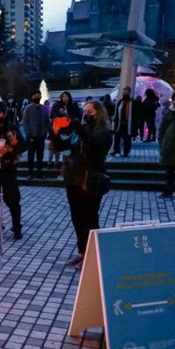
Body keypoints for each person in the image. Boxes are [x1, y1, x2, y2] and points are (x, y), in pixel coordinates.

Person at [62, 100, 113, 269]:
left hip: (91, 179)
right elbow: (69, 148)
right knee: (77, 218)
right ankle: (82, 252)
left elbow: (96, 149)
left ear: (99, 113)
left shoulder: (104, 131)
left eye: (90, 112)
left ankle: (92, 255)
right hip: (74, 178)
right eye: (85, 111)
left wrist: (81, 129)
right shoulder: (81, 129)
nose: (86, 115)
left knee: (90, 218)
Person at [0, 103, 25, 239]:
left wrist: (11, 149)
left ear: (4, 113)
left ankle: (16, 227)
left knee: (13, 199)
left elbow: (23, 144)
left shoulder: (12, 127)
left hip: (9, 168)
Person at [49, 92, 82, 169]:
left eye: (66, 96)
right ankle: (54, 164)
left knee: (68, 151)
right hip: (59, 132)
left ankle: (68, 167)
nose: (65, 98)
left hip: (71, 132)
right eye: (63, 96)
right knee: (55, 149)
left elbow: (77, 118)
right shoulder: (57, 106)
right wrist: (64, 119)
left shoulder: (73, 106)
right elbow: (54, 118)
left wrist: (68, 119)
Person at [21, 90, 47, 179]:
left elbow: (47, 121)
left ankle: (40, 173)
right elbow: (25, 122)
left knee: (40, 156)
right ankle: (30, 173)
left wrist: (46, 132)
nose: (37, 97)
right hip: (31, 136)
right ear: (32, 97)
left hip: (41, 136)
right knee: (30, 156)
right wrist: (28, 134)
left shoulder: (44, 108)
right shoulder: (28, 109)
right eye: (35, 96)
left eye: (38, 95)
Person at [112, 87, 135, 157]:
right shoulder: (120, 102)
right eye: (123, 92)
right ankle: (116, 150)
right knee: (117, 138)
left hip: (128, 124)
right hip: (119, 124)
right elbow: (116, 112)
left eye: (126, 92)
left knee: (127, 139)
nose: (124, 93)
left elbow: (135, 114)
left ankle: (126, 152)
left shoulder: (132, 103)